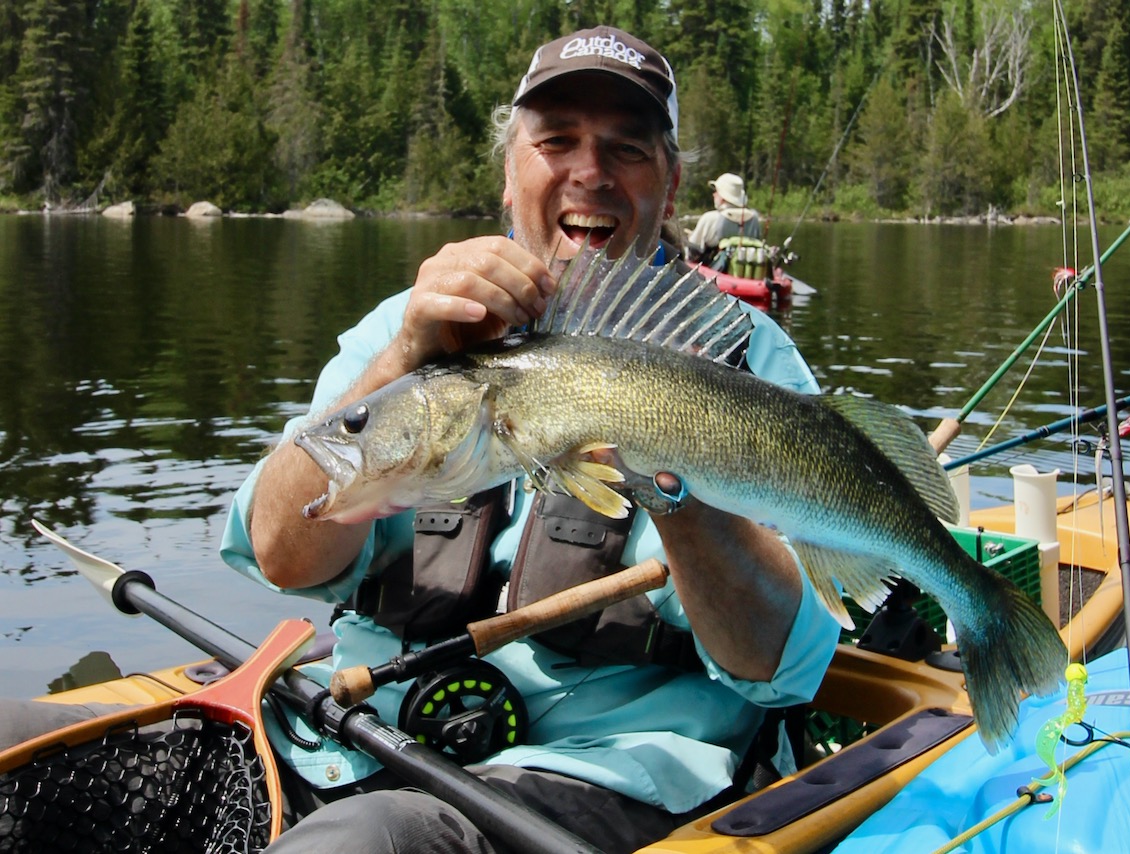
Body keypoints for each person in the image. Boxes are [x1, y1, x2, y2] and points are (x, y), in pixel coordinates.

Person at [0, 26, 839, 854]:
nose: (590, 173)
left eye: (626, 149)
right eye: (557, 142)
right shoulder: (408, 329)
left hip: (597, 779)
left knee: (364, 842)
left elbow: (782, 664)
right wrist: (405, 354)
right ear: (509, 176)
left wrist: (676, 475)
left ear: (671, 180)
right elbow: (284, 555)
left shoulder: (742, 361)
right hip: (337, 741)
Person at [685, 172, 763, 266]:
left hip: (715, 270)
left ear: (722, 198)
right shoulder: (754, 218)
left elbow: (693, 250)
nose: (714, 194)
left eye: (716, 191)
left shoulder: (710, 218)